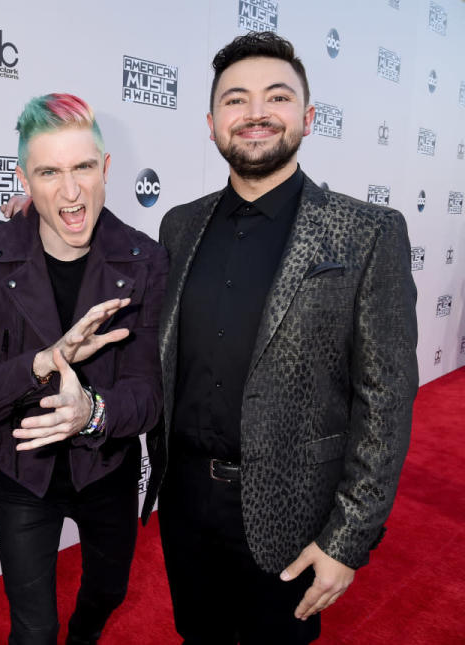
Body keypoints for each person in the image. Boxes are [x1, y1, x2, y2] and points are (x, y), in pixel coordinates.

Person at [154, 31, 417, 644]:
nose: (254, 114)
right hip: (185, 502)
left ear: (307, 116)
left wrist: (348, 540)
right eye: (235, 100)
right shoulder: (178, 225)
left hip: (296, 511)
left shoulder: (367, 232)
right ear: (212, 122)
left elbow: (386, 400)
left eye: (276, 97)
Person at [0, 93, 167, 645]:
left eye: (83, 167)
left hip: (108, 470)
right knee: (33, 631)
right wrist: (44, 362)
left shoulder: (145, 260)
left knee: (108, 592)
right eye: (49, 172)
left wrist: (92, 413)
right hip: (24, 477)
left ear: (105, 169)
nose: (70, 191)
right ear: (25, 179)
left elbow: (149, 394)